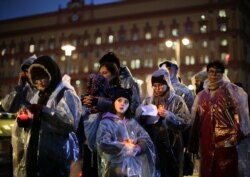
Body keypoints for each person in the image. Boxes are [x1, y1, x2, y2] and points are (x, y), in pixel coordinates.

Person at [11, 55, 82, 177]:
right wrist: (25, 121)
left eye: (42, 77)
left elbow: (69, 124)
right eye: (35, 79)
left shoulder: (65, 94)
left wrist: (44, 111)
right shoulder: (38, 96)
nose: (39, 82)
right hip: (36, 156)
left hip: (56, 158)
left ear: (52, 74)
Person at [188, 61, 250, 177]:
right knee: (208, 170)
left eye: (218, 72)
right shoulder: (202, 95)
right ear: (207, 74)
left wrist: (236, 135)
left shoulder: (231, 91)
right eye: (211, 72)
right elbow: (196, 119)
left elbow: (237, 114)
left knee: (225, 171)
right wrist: (193, 142)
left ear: (222, 74)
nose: (214, 75)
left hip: (227, 142)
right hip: (207, 141)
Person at [136, 68, 191, 177]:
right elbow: (138, 120)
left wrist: (169, 116)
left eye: (160, 85)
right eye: (155, 85)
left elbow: (185, 122)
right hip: (153, 144)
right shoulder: (148, 101)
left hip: (173, 145)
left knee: (172, 171)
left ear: (167, 84)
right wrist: (144, 117)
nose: (157, 88)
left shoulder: (177, 100)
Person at [96, 87, 156, 177]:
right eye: (119, 100)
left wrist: (138, 147)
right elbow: (103, 143)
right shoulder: (106, 123)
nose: (122, 104)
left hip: (133, 170)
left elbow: (145, 138)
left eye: (126, 102)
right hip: (114, 169)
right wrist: (123, 146)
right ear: (114, 102)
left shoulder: (132, 123)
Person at [83, 52, 141, 116]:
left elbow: (133, 108)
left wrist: (99, 103)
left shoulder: (129, 82)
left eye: (105, 72)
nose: (101, 76)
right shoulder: (101, 83)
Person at [80, 73, 111, 177]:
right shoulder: (85, 99)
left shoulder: (110, 99)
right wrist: (83, 105)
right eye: (91, 84)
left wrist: (97, 102)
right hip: (87, 147)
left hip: (105, 147)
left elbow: (112, 107)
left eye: (96, 85)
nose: (93, 88)